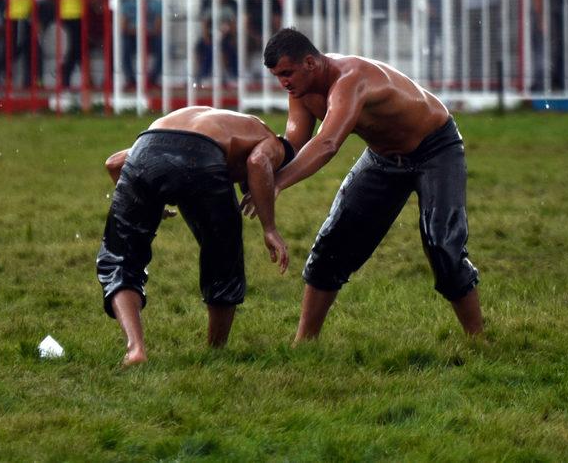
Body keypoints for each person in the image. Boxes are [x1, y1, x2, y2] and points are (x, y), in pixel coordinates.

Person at [253, 28, 483, 342]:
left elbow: (328, 144)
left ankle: (477, 339)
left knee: (441, 245)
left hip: (435, 148)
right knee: (331, 244)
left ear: (310, 62)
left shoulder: (351, 78)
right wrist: (256, 170)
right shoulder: (301, 92)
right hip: (384, 157)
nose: (284, 83)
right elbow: (293, 144)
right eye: (278, 77)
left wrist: (277, 184)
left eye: (287, 73)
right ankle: (303, 343)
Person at [96, 106, 294, 365]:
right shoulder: (271, 141)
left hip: (147, 147)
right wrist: (270, 228)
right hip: (202, 157)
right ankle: (216, 351)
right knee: (223, 258)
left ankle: (135, 349)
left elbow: (114, 163)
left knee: (121, 257)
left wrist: (148, 202)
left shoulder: (224, 123)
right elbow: (258, 163)